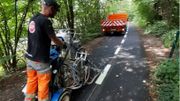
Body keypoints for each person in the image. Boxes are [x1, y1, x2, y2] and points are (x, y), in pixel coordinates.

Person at [24, 0, 65, 101]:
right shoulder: (46, 21)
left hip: (30, 58)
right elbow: (54, 39)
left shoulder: (33, 19)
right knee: (43, 87)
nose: (55, 13)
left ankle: (29, 99)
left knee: (31, 83)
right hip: (41, 61)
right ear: (51, 8)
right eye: (55, 11)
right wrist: (63, 44)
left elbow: (37, 37)